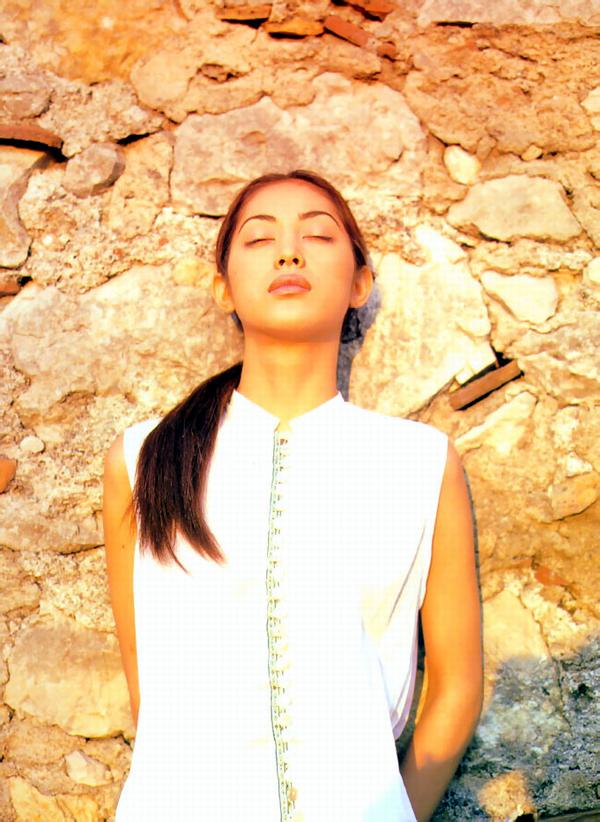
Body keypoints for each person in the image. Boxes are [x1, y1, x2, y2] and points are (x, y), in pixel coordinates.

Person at [103, 170, 483, 822]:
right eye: (259, 239)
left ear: (360, 283)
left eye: (318, 236)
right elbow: (150, 687)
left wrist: (397, 813)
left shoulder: (421, 462)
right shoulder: (142, 462)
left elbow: (456, 684)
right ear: (223, 287)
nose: (288, 253)